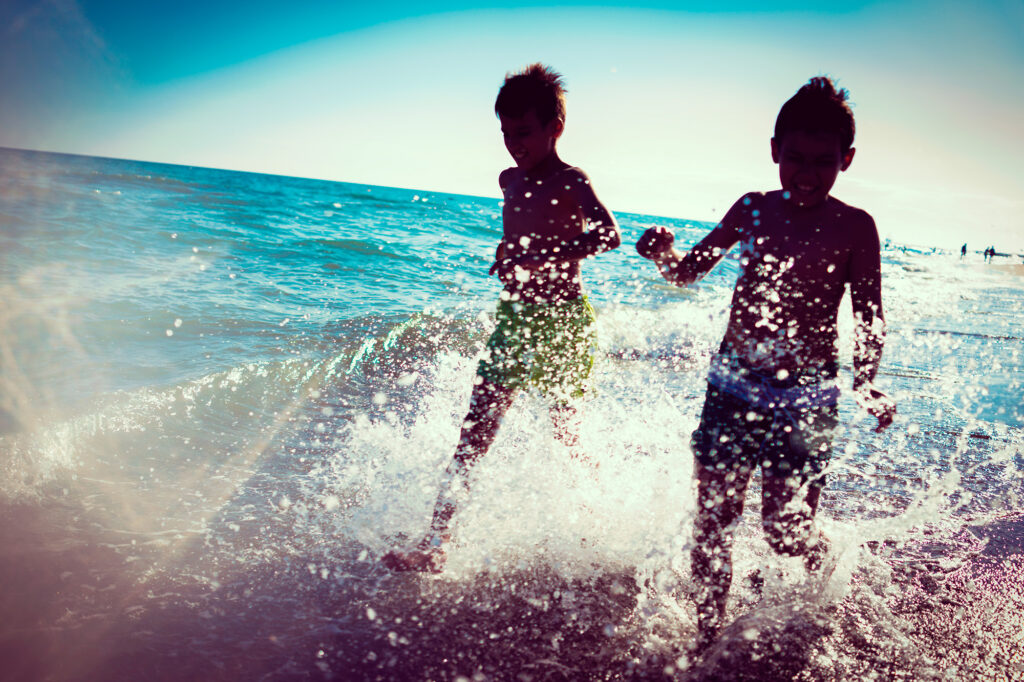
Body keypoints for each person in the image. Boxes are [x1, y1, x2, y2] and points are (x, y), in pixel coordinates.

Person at [635, 76, 896, 647]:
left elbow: (870, 314)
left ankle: (829, 568)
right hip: (733, 385)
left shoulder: (855, 228)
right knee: (713, 523)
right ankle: (706, 640)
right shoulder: (753, 209)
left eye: (822, 163)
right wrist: (664, 255)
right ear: (774, 149)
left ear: (845, 160)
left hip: (807, 398)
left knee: (786, 532)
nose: (805, 174)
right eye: (795, 158)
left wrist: (867, 381)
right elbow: (687, 272)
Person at [382, 63, 621, 572]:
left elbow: (608, 235)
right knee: (473, 435)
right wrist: (507, 252)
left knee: (566, 435)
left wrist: (540, 256)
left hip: (563, 321)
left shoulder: (572, 180)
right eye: (507, 134)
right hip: (514, 319)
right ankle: (435, 544)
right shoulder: (508, 180)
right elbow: (521, 233)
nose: (515, 145)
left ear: (555, 127)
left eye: (525, 132)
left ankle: (600, 530)